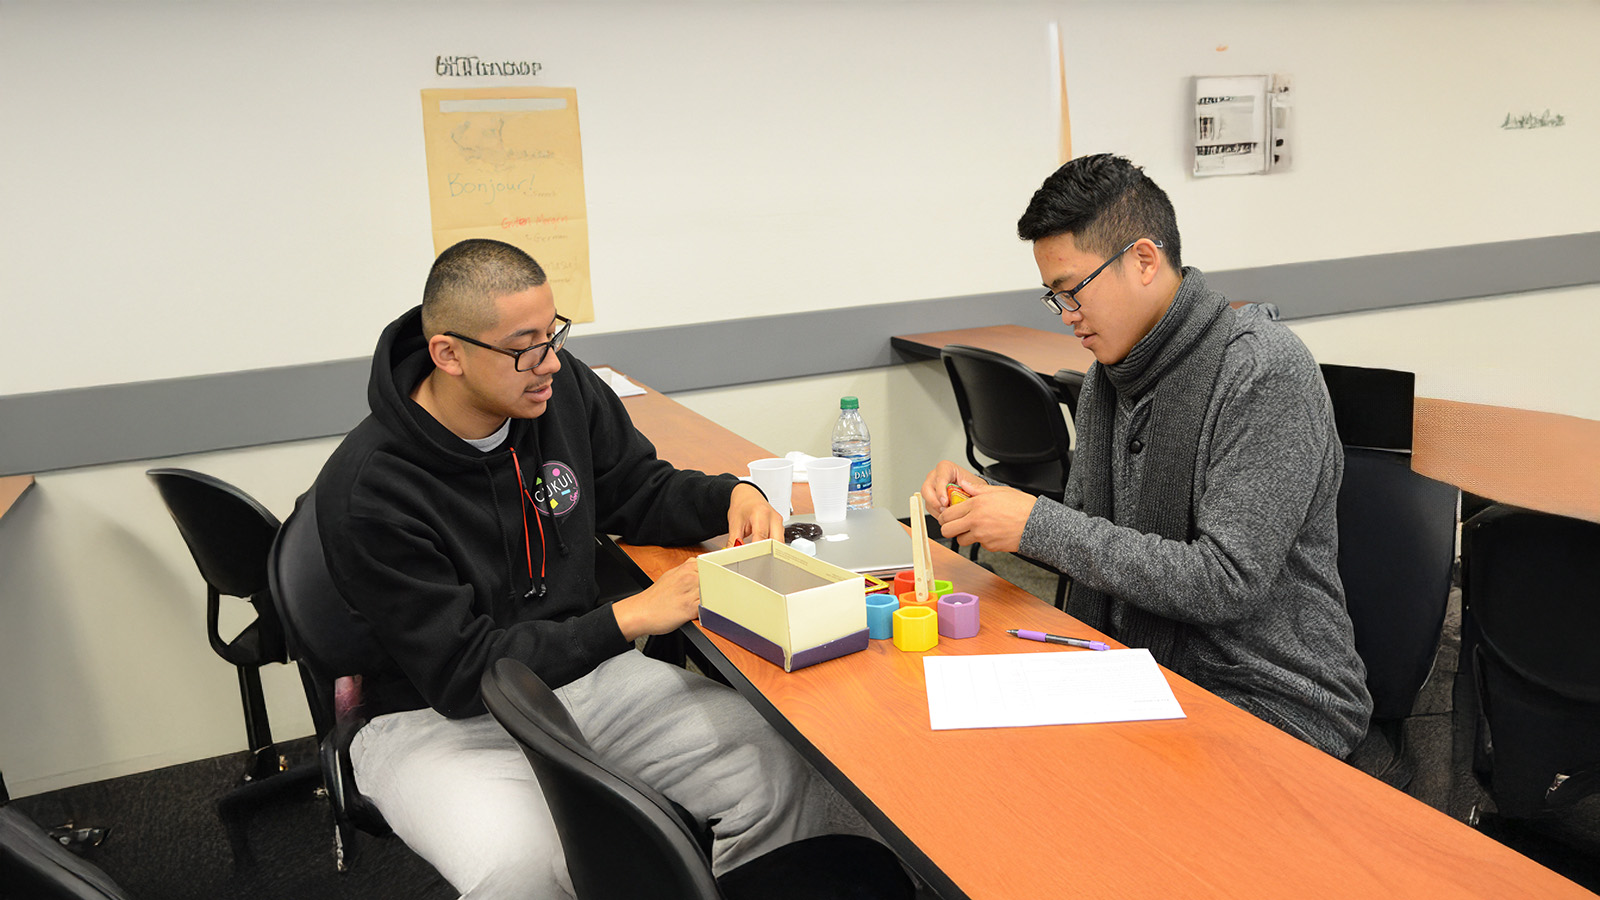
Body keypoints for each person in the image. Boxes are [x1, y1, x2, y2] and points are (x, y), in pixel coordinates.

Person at [311, 238, 835, 897]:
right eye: (524, 346)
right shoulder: (370, 490)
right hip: (432, 721)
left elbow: (636, 488)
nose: (551, 363)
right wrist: (628, 618)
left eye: (554, 333)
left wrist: (730, 494)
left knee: (778, 763)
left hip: (581, 679)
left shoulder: (556, 392)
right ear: (448, 354)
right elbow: (459, 674)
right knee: (524, 868)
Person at [921, 154, 1372, 758]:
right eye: (1055, 298)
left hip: (1268, 691)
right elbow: (1090, 539)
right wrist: (996, 507)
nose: (1070, 318)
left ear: (1142, 259)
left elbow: (1226, 582)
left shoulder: (1262, 371)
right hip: (1138, 667)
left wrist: (1034, 525)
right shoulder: (1111, 380)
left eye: (1074, 290)